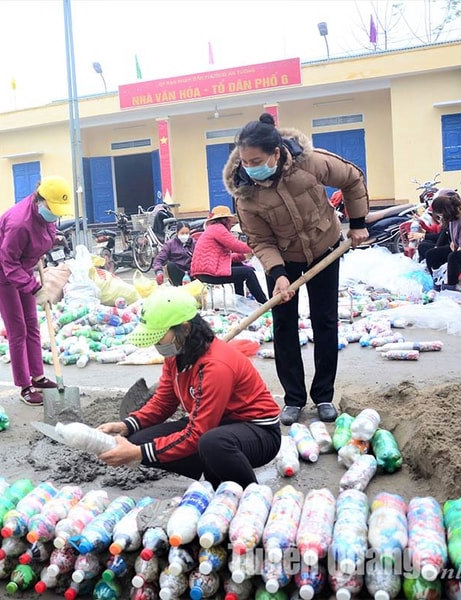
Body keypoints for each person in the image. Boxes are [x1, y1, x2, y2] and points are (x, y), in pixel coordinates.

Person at [223, 113, 369, 426]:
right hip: (284, 258)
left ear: (276, 153)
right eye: (245, 161)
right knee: (285, 325)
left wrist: (357, 223)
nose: (249, 168)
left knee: (325, 321)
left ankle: (324, 396)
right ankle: (293, 399)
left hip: (325, 248)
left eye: (256, 160)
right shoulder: (245, 194)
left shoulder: (310, 163)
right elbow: (260, 240)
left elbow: (352, 178)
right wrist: (278, 275)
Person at [96, 287, 281, 488]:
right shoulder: (176, 355)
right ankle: (208, 470)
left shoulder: (216, 366)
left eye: (159, 336)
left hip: (257, 430)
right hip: (216, 424)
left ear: (184, 328)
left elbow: (198, 433)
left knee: (211, 443)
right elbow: (163, 402)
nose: (157, 344)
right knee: (136, 439)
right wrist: (127, 425)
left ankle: (247, 492)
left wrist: (139, 454)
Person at [0, 176, 74, 406]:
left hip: (23, 264)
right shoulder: (19, 223)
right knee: (17, 327)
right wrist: (34, 288)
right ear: (40, 200)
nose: (55, 215)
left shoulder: (46, 215)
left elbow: (44, 232)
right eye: (53, 209)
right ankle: (25, 385)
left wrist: (49, 243)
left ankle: (38, 376)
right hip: (1, 267)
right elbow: (8, 263)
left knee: (32, 322)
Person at [191, 206, 269, 304]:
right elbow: (235, 245)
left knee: (240, 267)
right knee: (248, 272)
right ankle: (264, 303)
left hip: (203, 272)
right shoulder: (218, 229)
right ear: (226, 220)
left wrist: (243, 256)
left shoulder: (212, 229)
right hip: (209, 272)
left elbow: (223, 259)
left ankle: (241, 303)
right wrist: (255, 247)